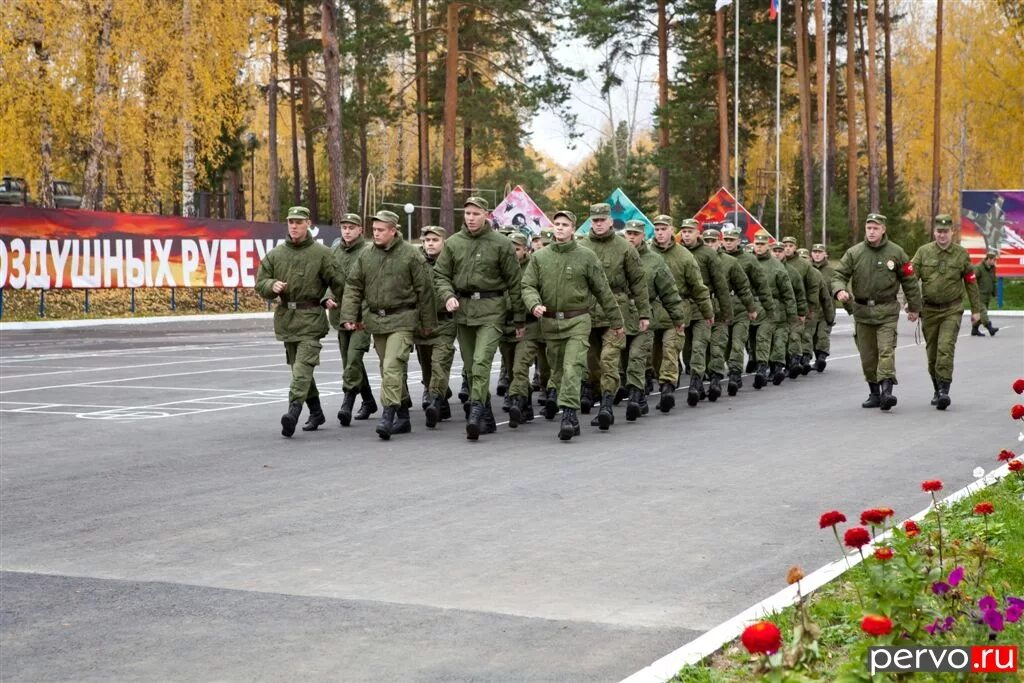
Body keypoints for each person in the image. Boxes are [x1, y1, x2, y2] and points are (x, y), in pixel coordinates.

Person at [521, 210, 623, 441]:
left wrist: (617, 322)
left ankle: (569, 415)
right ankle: (567, 410)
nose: (559, 228)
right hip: (550, 323)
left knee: (573, 367)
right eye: (556, 224)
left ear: (573, 229)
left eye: (565, 224)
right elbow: (527, 285)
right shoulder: (540, 257)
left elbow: (603, 291)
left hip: (578, 320)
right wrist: (533, 303)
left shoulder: (586, 256)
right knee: (557, 371)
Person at [339, 210, 437, 440]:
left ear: (393, 231)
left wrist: (427, 323)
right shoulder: (366, 256)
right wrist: (349, 316)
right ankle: (403, 416)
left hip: (403, 318)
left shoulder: (410, 255)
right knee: (387, 368)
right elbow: (354, 286)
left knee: (392, 365)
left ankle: (388, 414)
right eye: (374, 230)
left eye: (381, 230)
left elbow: (425, 290)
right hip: (377, 320)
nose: (376, 234)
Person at [434, 197, 524, 441]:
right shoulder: (453, 243)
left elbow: (515, 283)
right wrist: (447, 295)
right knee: (471, 367)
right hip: (463, 310)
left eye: (476, 213)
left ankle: (474, 412)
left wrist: (518, 319)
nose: (471, 218)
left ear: (486, 215)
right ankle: (487, 417)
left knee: (482, 361)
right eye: (467, 213)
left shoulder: (501, 244)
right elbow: (440, 274)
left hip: (492, 309)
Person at [255, 206, 345, 437]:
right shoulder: (276, 254)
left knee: (302, 369)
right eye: (290, 222)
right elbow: (261, 281)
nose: (293, 226)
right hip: (288, 320)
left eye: (298, 222)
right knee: (299, 370)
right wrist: (270, 286)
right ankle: (316, 412)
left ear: (308, 223)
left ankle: (293, 412)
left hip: (311, 319)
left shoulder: (322, 253)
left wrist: (336, 303)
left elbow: (340, 284)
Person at [831, 213, 922, 411]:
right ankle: (874, 393)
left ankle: (887, 392)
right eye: (868, 228)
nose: (871, 232)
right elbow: (839, 275)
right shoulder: (855, 253)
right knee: (868, 356)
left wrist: (914, 307)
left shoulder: (896, 252)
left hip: (887, 311)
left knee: (886, 350)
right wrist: (839, 290)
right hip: (862, 312)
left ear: (883, 230)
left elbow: (909, 281)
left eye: (875, 228)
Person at [578, 202, 650, 430]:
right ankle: (600, 394)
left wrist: (644, 313)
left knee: (610, 361)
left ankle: (606, 406)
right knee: (592, 363)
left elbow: (638, 282)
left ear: (610, 221)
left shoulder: (624, 248)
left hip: (616, 311)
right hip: (587, 312)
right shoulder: (581, 247)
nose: (598, 224)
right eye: (595, 220)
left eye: (602, 220)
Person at [911, 214, 982, 410]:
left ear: (952, 232)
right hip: (929, 311)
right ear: (934, 232)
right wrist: (912, 306)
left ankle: (944, 391)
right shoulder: (923, 252)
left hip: (952, 309)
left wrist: (976, 310)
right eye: (939, 231)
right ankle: (936, 389)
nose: (942, 235)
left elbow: (971, 282)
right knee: (932, 354)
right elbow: (910, 279)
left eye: (946, 232)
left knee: (945, 348)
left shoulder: (961, 254)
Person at [624, 219, 686, 419]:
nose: (631, 237)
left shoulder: (655, 260)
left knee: (641, 355)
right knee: (623, 360)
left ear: (643, 236)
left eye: (636, 233)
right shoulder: (617, 255)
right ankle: (639, 395)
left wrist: (678, 318)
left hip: (647, 315)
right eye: (629, 233)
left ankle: (651, 391)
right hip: (619, 315)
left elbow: (669, 291)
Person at [649, 216, 713, 412]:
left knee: (671, 349)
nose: (659, 232)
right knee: (655, 355)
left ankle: (667, 388)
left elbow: (698, 286)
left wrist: (707, 310)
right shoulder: (645, 253)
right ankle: (664, 382)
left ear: (671, 230)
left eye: (663, 228)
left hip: (676, 311)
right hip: (651, 312)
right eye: (657, 229)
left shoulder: (684, 256)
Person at [327, 213, 376, 427]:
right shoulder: (335, 250)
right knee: (349, 361)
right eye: (344, 227)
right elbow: (328, 277)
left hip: (362, 315)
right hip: (340, 314)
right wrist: (326, 296)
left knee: (354, 358)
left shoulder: (368, 251)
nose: (346, 231)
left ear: (360, 230)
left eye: (351, 227)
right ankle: (368, 401)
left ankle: (347, 402)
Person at [678, 220, 733, 406]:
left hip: (703, 307)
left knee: (699, 346)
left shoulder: (708, 254)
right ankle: (697, 381)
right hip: (682, 308)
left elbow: (721, 285)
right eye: (683, 231)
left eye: (690, 231)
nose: (686, 235)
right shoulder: (677, 252)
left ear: (697, 233)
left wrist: (725, 313)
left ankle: (696, 382)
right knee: (685, 350)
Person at [703, 227, 757, 399]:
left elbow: (743, 287)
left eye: (713, 241)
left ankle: (730, 374)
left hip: (732, 309)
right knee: (706, 347)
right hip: (703, 309)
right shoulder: (695, 259)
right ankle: (702, 375)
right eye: (707, 241)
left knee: (732, 343)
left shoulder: (730, 262)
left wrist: (751, 308)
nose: (710, 245)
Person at [721, 225, 775, 394]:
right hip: (721, 309)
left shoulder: (749, 260)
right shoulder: (717, 259)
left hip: (742, 308)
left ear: (738, 241)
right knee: (726, 345)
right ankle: (731, 367)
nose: (728, 243)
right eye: (726, 240)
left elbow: (761, 285)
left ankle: (736, 374)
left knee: (738, 342)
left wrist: (769, 309)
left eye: (732, 240)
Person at [414, 225, 457, 427]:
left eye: (434, 240)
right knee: (426, 367)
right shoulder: (416, 261)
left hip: (445, 320)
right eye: (426, 240)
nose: (430, 244)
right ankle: (442, 400)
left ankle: (434, 400)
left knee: (440, 363)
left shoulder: (452, 261)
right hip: (423, 322)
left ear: (443, 242)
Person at [753, 235, 797, 387]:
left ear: (767, 246)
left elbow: (789, 294)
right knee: (757, 340)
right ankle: (766, 367)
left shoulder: (778, 267)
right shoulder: (749, 262)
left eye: (762, 244)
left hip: (774, 308)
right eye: (757, 244)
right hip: (752, 307)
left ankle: (770, 367)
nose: (759, 247)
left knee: (770, 338)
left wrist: (792, 316)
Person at [774, 241, 808, 382]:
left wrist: (800, 312)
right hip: (769, 311)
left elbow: (800, 293)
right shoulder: (762, 268)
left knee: (792, 336)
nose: (777, 253)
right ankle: (778, 366)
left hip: (788, 309)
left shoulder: (792, 272)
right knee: (775, 341)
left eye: (780, 251)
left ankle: (793, 362)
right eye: (774, 250)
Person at [809, 243, 836, 371]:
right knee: (813, 337)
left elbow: (838, 288)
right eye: (815, 252)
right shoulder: (807, 269)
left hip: (826, 309)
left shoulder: (831, 272)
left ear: (825, 254)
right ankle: (817, 357)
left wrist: (849, 306)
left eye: (820, 252)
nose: (817, 254)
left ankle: (821, 358)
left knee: (822, 334)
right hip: (811, 310)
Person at [972, 249, 999, 336]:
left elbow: (993, 281)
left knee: (981, 314)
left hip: (987, 295)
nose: (995, 262)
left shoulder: (992, 268)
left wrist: (994, 293)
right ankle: (990, 328)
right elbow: (972, 280)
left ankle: (974, 329)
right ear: (989, 259)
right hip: (978, 294)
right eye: (994, 260)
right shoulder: (979, 267)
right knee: (983, 312)